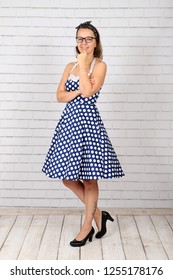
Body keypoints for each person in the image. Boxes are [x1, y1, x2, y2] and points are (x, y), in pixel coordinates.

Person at [42, 21, 125, 247]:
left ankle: (87, 225)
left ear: (96, 42)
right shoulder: (70, 65)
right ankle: (99, 214)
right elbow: (59, 96)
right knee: (67, 178)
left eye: (88, 39)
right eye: (80, 38)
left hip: (88, 125)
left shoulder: (99, 65)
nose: (84, 43)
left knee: (89, 178)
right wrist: (79, 84)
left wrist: (83, 64)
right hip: (69, 125)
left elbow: (88, 94)